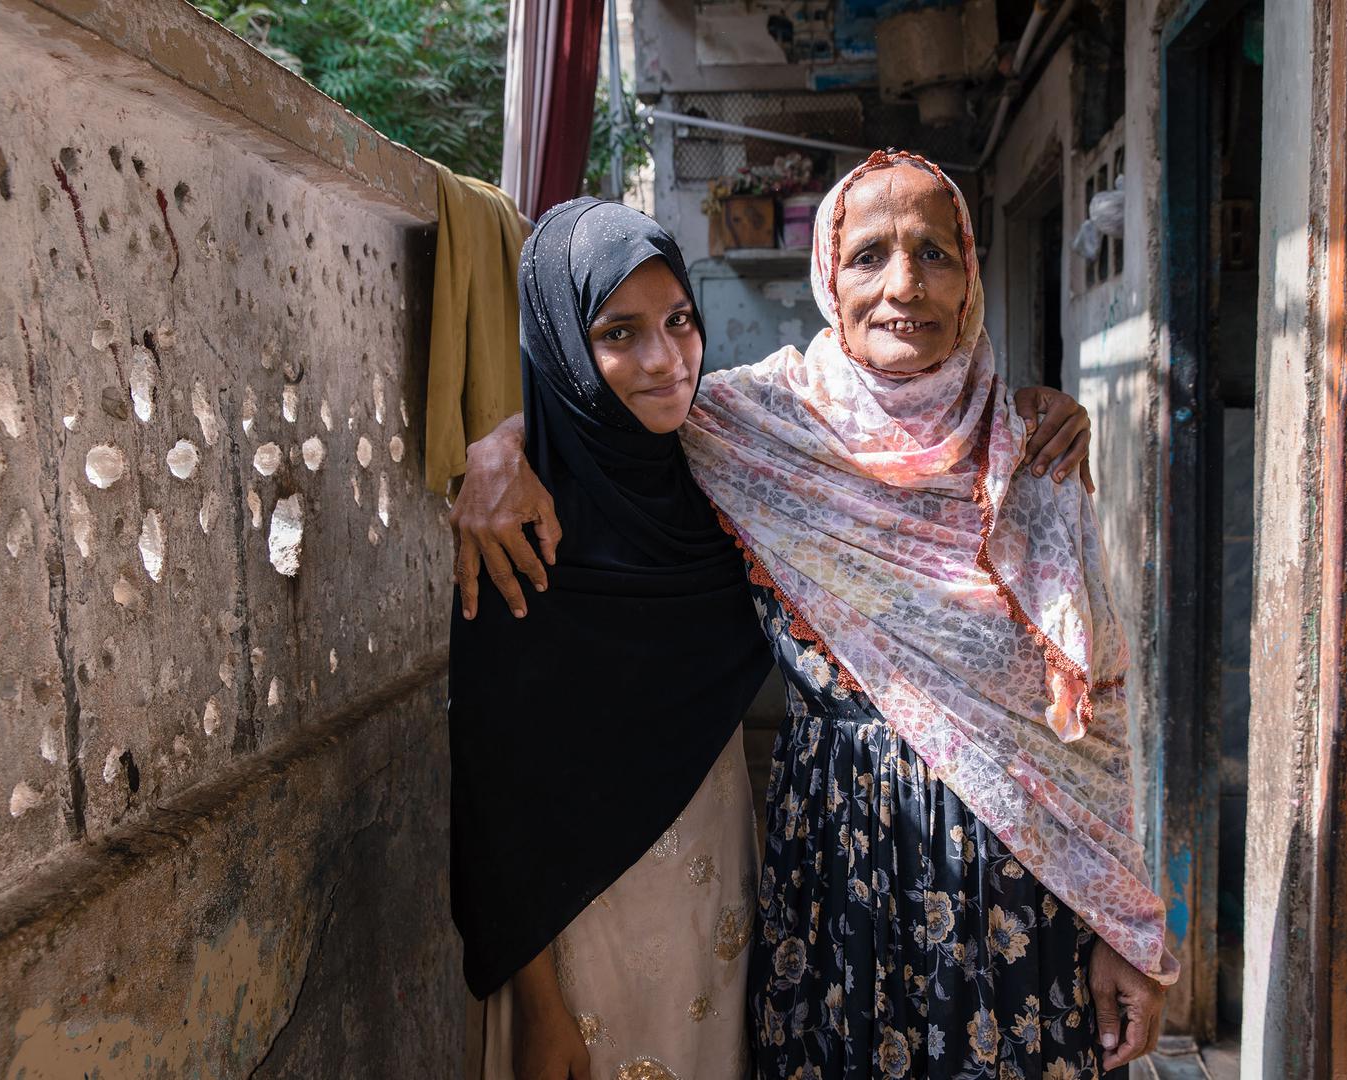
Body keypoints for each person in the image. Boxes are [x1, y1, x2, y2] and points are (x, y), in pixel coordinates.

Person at [455, 152, 1171, 1078]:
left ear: (970, 276)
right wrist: (496, 450)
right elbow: (596, 405)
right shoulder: (761, 430)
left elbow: (1096, 720)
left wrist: (1122, 926)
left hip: (1015, 902)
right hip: (836, 883)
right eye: (870, 255)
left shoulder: (1033, 454)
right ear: (830, 279)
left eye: (934, 253)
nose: (904, 286)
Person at [448, 198, 775, 1080]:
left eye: (679, 320)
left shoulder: (715, 478)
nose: (665, 360)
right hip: (584, 934)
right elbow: (494, 785)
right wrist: (540, 1008)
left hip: (719, 895)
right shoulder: (522, 526)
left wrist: (1027, 413)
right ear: (563, 345)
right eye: (618, 333)